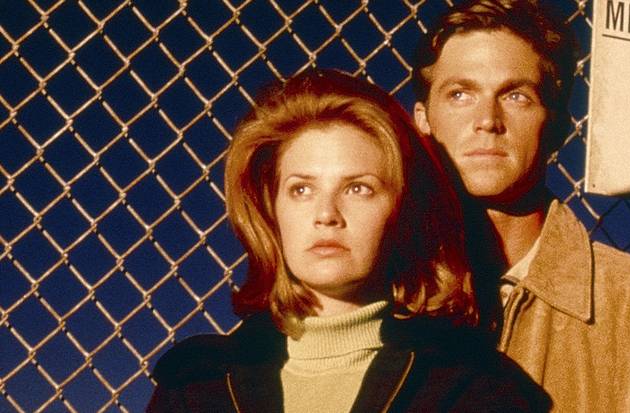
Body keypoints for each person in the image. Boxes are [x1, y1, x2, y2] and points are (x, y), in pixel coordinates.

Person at [411, 1, 630, 411]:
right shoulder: (376, 296)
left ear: (555, 124)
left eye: (517, 95)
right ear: (423, 120)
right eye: (460, 94)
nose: (487, 119)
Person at [146, 69, 549, 412]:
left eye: (358, 189)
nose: (326, 214)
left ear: (403, 209)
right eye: (301, 190)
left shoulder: (474, 388)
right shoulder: (195, 387)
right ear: (272, 210)